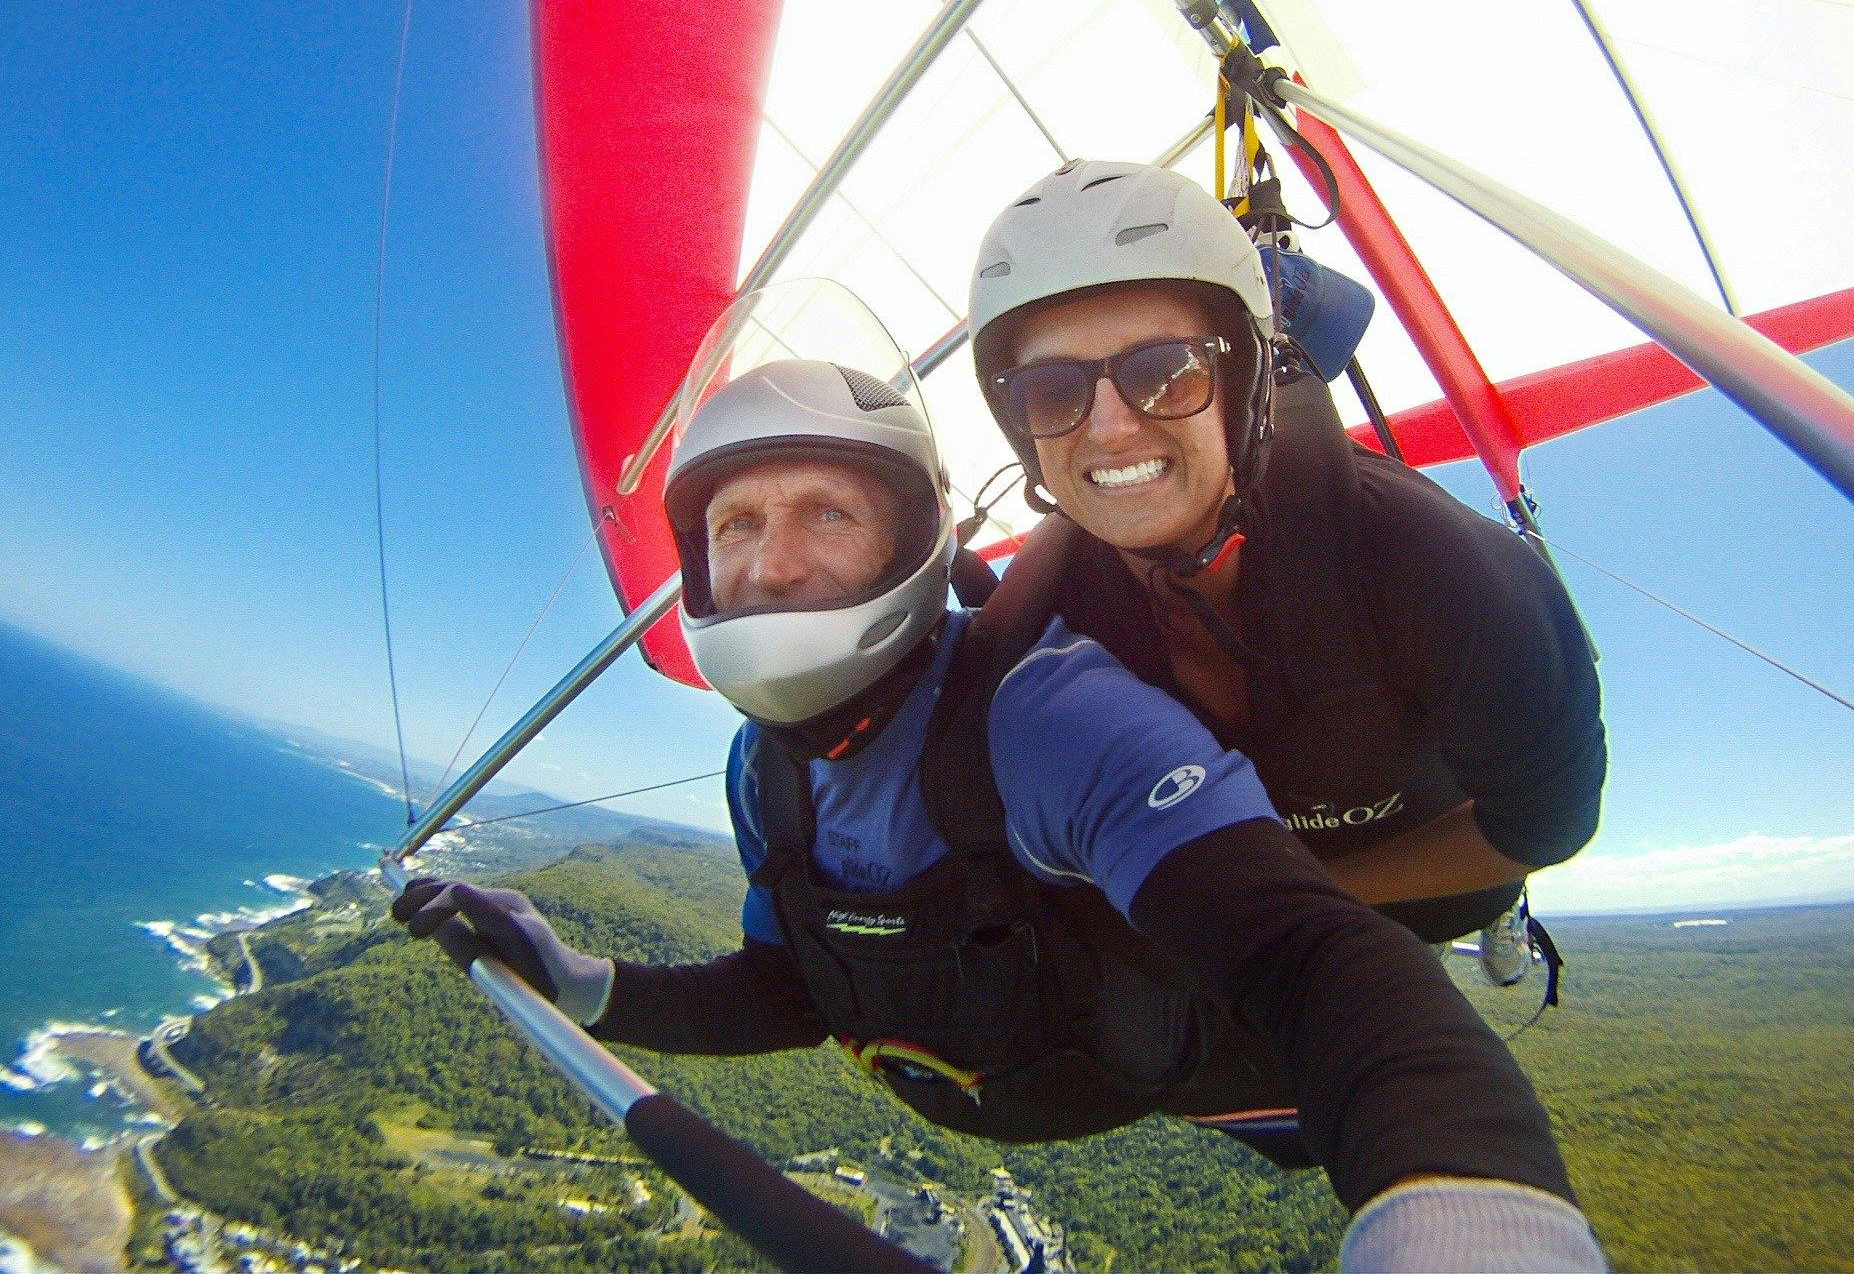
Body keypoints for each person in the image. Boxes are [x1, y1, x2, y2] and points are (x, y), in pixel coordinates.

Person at [395, 342, 1607, 1272]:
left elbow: (1315, 958)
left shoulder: (1044, 714)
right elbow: (792, 988)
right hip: (1026, 1069)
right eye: (734, 524)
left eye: (826, 510)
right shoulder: (762, 768)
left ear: (914, 538)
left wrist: (1472, 1211)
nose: (770, 563)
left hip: (1192, 1068)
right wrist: (585, 981)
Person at [968, 160, 1609, 984]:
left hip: (1440, 888)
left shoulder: (1440, 568)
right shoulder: (1042, 607)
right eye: (1051, 390)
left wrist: (1307, 897)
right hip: (1244, 906)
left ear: (1244, 388)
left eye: (1166, 371)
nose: (1113, 427)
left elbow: (1550, 821)